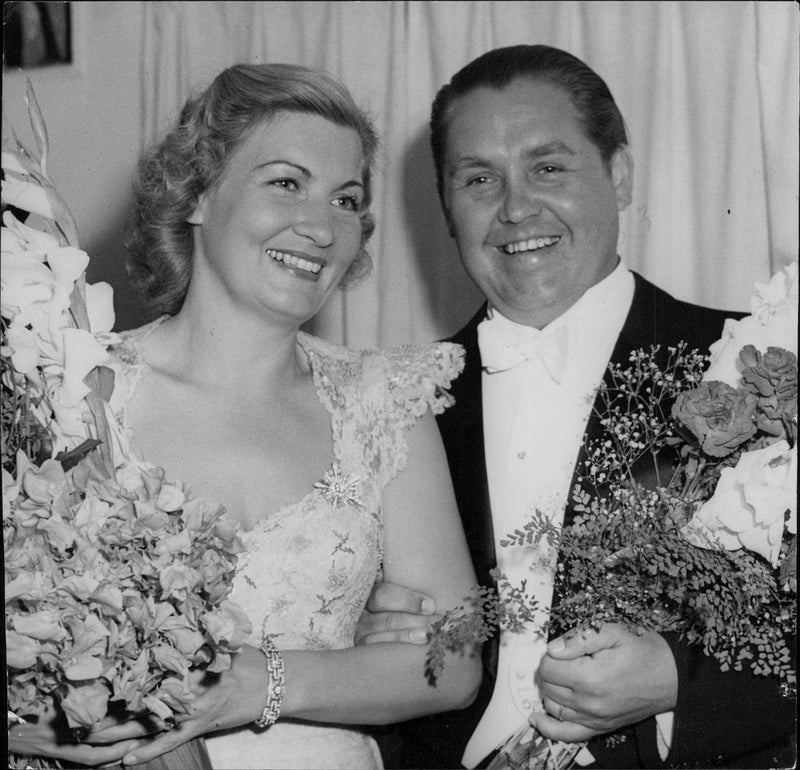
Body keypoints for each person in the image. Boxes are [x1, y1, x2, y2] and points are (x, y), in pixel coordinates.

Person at [7, 62, 482, 770]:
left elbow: (453, 662)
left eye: (347, 200)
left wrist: (259, 683)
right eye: (286, 183)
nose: (321, 226)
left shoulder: (385, 401)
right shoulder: (71, 381)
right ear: (197, 194)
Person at [357, 45, 796, 769]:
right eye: (478, 179)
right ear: (445, 207)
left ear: (618, 175)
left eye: (548, 167)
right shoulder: (397, 399)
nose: (515, 207)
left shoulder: (758, 361)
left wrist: (678, 678)